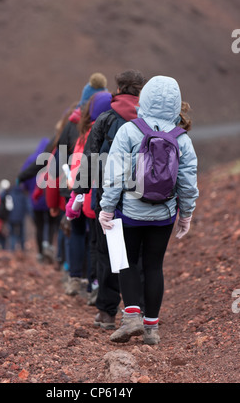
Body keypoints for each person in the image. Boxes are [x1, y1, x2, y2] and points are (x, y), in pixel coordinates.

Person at [98, 75, 199, 345]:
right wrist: (186, 214)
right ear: (177, 103)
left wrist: (107, 208)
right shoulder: (182, 139)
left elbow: (115, 176)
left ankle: (131, 317)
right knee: (154, 266)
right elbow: (188, 183)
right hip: (163, 216)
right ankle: (152, 328)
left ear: (145, 100)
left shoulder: (130, 130)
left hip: (129, 212)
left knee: (126, 262)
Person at [72, 69, 147, 329]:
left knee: (108, 255)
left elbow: (89, 160)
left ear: (119, 88)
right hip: (144, 198)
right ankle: (142, 312)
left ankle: (106, 313)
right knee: (137, 256)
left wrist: (79, 195)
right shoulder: (151, 117)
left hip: (108, 200)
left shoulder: (105, 119)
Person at [65, 91, 113, 299]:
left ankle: (85, 281)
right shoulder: (112, 129)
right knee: (99, 243)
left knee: (87, 239)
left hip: (84, 193)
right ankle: (98, 286)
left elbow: (77, 165)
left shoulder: (84, 133)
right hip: (100, 194)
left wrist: (74, 194)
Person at [6, 183, 29, 252]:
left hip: (11, 218)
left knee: (12, 234)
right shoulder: (22, 195)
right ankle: (22, 249)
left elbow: (7, 207)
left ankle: (12, 249)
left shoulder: (10, 194)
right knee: (21, 234)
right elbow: (26, 206)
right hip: (20, 218)